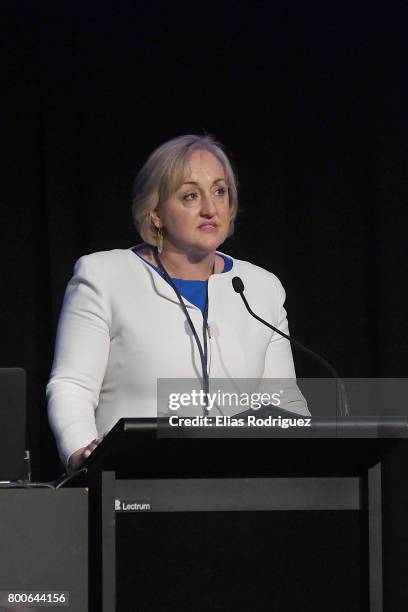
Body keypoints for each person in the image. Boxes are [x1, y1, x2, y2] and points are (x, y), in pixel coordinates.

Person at [47, 134, 309, 472]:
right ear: (155, 213)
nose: (210, 209)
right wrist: (82, 452)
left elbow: (285, 404)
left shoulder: (261, 288)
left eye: (219, 191)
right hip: (132, 485)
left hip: (240, 486)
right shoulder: (104, 276)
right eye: (190, 196)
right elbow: (72, 385)